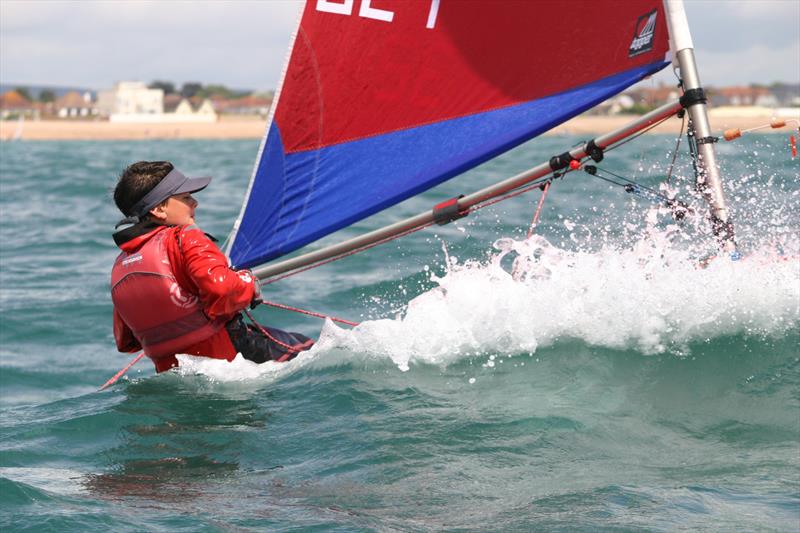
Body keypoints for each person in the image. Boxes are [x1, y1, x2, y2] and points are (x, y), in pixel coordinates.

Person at [110, 161, 313, 373]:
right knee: (307, 349)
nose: (195, 203)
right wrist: (248, 283)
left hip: (176, 373)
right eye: (186, 197)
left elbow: (127, 341)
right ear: (159, 209)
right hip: (231, 358)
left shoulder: (121, 265)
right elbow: (222, 288)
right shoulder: (185, 237)